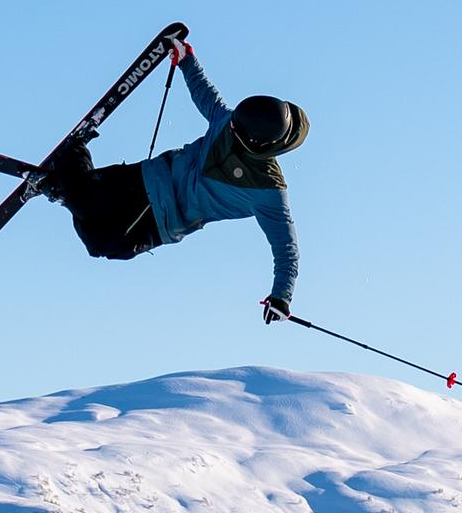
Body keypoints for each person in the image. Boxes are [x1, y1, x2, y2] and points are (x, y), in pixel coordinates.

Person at [37, 39, 304, 320]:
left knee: (100, 243)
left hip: (166, 222)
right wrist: (187, 59)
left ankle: (64, 185)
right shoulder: (229, 122)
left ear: (256, 143)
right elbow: (207, 95)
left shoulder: (268, 191)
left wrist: (282, 296)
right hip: (150, 180)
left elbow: (286, 249)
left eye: (236, 128)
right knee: (85, 199)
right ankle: (73, 154)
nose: (230, 126)